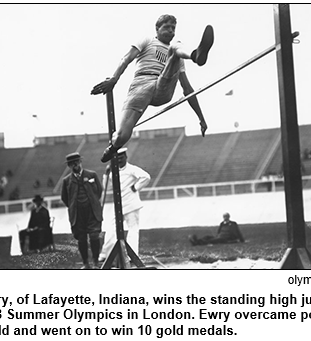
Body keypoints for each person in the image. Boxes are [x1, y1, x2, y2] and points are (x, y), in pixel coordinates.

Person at [91, 14, 214, 162]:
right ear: (157, 28)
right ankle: (113, 147)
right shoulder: (147, 41)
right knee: (121, 136)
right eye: (167, 27)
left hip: (162, 86)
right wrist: (114, 79)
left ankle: (195, 55)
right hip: (141, 85)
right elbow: (126, 59)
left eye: (173, 28)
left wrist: (201, 118)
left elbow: (187, 89)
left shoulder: (176, 54)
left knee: (176, 47)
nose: (171, 31)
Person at [99, 148, 151, 262]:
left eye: (122, 157)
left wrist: (135, 187)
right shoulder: (113, 172)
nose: (120, 160)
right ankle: (105, 254)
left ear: (126, 157)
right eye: (117, 158)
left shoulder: (132, 169)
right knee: (111, 229)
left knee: (133, 229)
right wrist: (106, 175)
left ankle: (132, 255)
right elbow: (107, 187)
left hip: (132, 205)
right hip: (118, 206)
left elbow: (146, 177)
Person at [61, 152, 103, 269]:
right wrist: (74, 206)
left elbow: (99, 191)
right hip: (77, 214)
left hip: (92, 211)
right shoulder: (66, 181)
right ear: (69, 166)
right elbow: (65, 198)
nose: (75, 165)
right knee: (81, 238)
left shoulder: (92, 175)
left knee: (94, 235)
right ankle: (86, 263)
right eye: (72, 164)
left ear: (80, 162)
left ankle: (95, 262)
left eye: (77, 162)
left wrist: (92, 202)